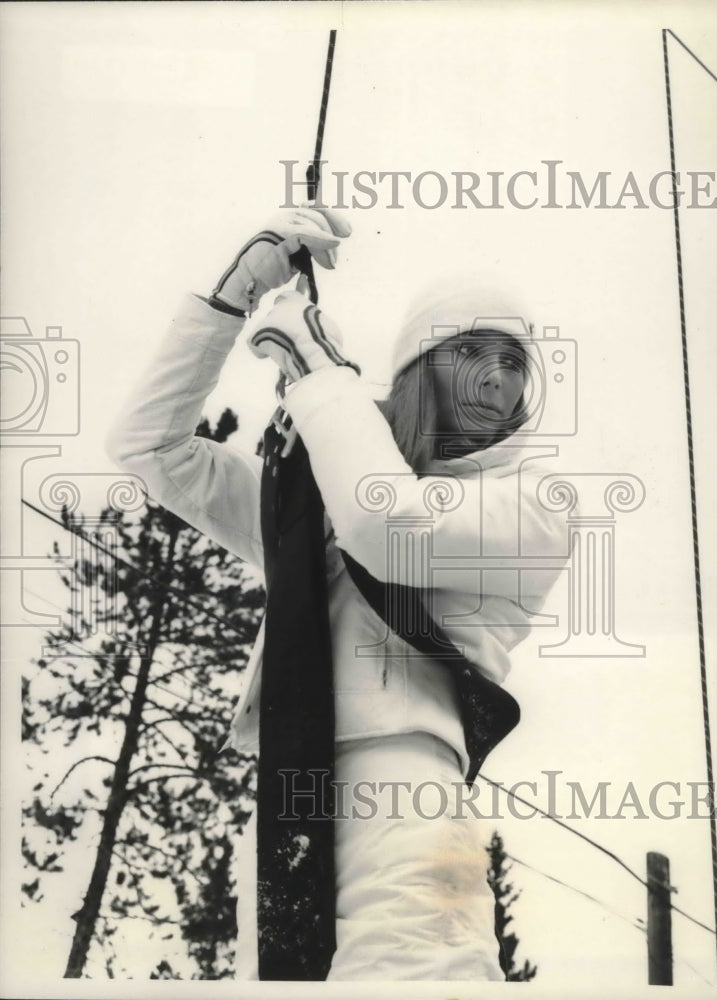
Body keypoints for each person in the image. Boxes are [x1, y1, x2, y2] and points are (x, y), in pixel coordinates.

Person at [105, 206, 568, 981]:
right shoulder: (315, 500)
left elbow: (388, 526)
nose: (498, 375)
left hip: (406, 791)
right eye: (471, 351)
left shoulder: (535, 502)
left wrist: (319, 377)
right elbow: (150, 449)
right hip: (288, 790)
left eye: (515, 361)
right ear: (424, 367)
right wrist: (236, 293)